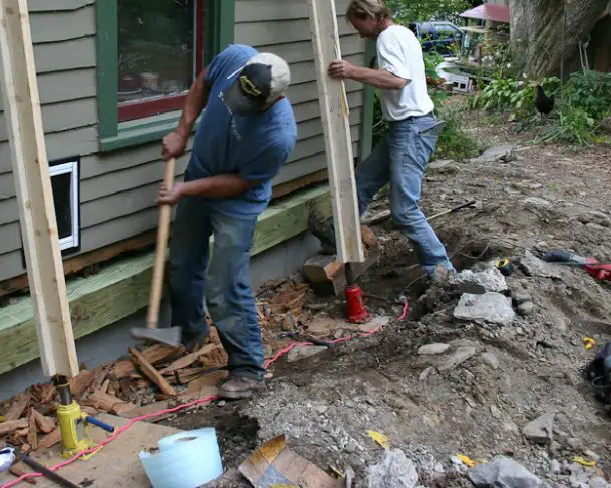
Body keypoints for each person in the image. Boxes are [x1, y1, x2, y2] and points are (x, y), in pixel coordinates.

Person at [157, 44, 297, 400]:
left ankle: (248, 370)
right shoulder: (236, 58)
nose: (236, 106)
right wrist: (181, 132)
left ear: (274, 100)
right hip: (199, 177)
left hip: (237, 202)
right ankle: (190, 335)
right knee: (182, 262)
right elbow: (202, 84)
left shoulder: (278, 135)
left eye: (248, 105)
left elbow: (239, 182)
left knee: (224, 285)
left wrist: (186, 189)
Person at [328, 0, 455, 280]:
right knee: (362, 182)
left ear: (369, 15)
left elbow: (397, 79)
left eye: (357, 25)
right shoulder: (404, 33)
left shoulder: (387, 37)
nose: (360, 33)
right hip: (406, 128)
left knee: (404, 211)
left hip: (411, 130)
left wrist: (350, 71)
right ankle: (335, 240)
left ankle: (444, 273)